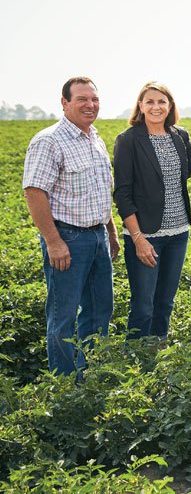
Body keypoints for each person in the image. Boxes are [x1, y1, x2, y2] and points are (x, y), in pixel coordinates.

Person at [23, 77, 118, 375]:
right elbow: (34, 191)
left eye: (94, 99)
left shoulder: (95, 139)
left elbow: (102, 190)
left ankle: (88, 375)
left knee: (99, 309)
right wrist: (53, 241)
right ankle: (64, 384)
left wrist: (111, 233)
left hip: (98, 236)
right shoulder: (48, 140)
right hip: (67, 238)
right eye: (82, 99)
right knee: (63, 315)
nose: (90, 105)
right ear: (64, 103)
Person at [113, 82, 191, 340]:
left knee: (165, 303)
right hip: (145, 235)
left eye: (162, 101)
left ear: (169, 105)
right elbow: (122, 193)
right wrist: (138, 239)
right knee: (143, 305)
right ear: (140, 106)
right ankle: (136, 360)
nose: (156, 107)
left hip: (179, 233)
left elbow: (188, 170)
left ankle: (157, 355)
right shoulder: (127, 140)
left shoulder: (180, 136)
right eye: (149, 102)